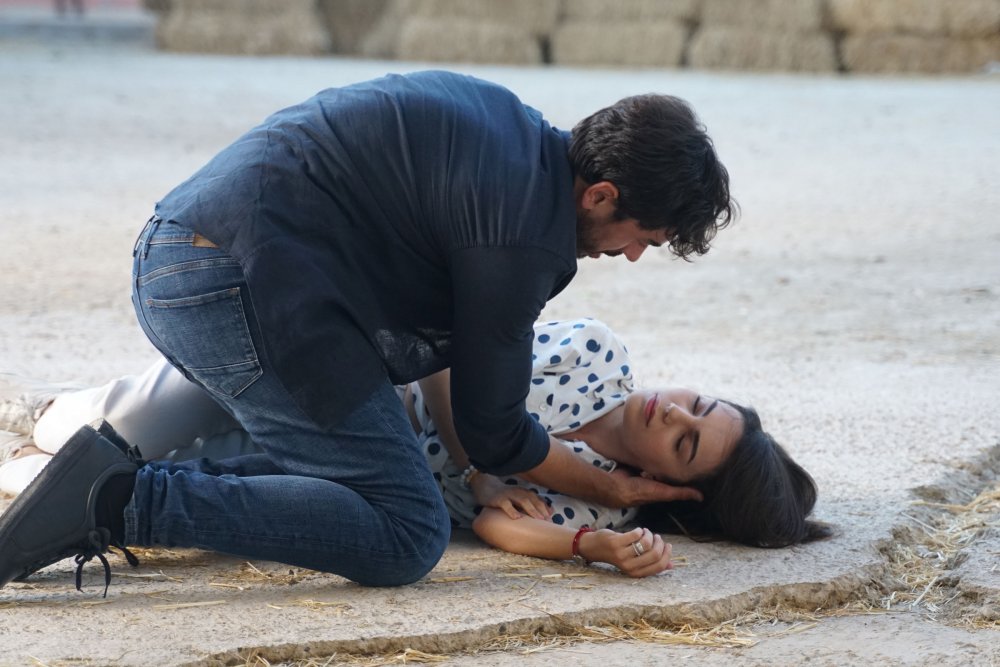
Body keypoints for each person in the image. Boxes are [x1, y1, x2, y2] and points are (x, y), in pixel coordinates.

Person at [0, 71, 736, 593]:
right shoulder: (525, 238)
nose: (631, 256)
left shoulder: (509, 127)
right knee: (409, 532)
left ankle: (90, 478)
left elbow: (459, 367)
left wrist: (484, 473)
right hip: (236, 286)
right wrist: (608, 485)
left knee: (340, 478)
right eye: (642, 238)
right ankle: (115, 499)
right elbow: (495, 429)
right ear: (601, 195)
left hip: (198, 252)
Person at [1, 319, 826, 579]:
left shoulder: (599, 506)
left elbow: (496, 525)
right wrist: (477, 465)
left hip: (359, 465)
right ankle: (47, 417)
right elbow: (451, 354)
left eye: (684, 439)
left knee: (151, 467)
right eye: (697, 403)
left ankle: (57, 469)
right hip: (363, 386)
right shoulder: (595, 356)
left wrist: (589, 543)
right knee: (121, 417)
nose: (671, 409)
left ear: (668, 481)